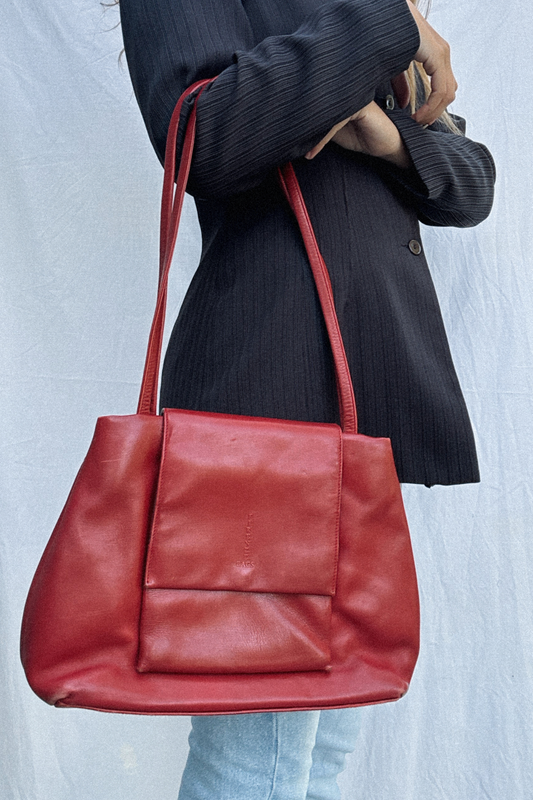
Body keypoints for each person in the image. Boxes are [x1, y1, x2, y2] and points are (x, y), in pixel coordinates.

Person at [118, 0, 495, 798]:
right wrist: (390, 25)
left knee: (317, 753)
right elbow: (202, 136)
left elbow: (470, 182)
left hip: (368, 413)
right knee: (260, 760)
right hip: (273, 409)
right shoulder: (369, 17)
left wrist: (381, 133)